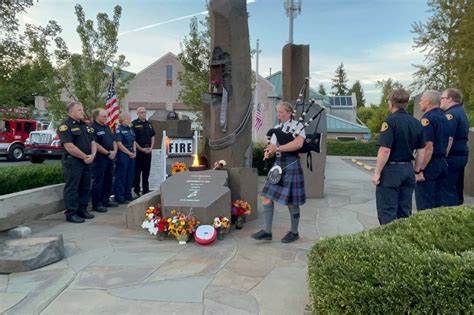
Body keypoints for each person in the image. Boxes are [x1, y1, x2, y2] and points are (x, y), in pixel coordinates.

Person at [251, 102, 306, 243]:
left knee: (292, 203)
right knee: (267, 197)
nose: (278, 115)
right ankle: (267, 231)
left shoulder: (298, 126)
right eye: (277, 112)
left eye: (281, 112)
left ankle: (294, 232)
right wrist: (269, 153)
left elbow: (298, 144)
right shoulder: (277, 128)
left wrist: (278, 149)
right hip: (278, 165)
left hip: (291, 164)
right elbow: (272, 146)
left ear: (289, 113)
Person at [372, 89, 425, 225]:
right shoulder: (416, 123)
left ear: (391, 103)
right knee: (404, 212)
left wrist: (377, 173)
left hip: (391, 171)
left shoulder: (390, 122)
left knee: (387, 212)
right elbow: (421, 151)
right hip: (408, 170)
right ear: (406, 104)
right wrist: (417, 170)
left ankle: (389, 244)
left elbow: (385, 150)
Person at [57, 101, 97, 223]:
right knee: (73, 187)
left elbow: (93, 141)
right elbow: (69, 146)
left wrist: (93, 155)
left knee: (85, 186)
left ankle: (82, 209)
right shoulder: (65, 126)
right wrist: (85, 156)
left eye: (82, 109)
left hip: (87, 160)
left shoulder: (85, 125)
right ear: (71, 112)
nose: (82, 112)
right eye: (79, 110)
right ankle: (71, 213)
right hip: (73, 161)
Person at [415, 90, 449, 210]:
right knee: (439, 204)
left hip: (430, 165)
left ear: (428, 102)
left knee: (425, 204)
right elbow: (449, 140)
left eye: (421, 100)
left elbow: (428, 148)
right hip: (442, 162)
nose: (420, 103)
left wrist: (420, 170)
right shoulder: (444, 117)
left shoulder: (427, 119)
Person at [440, 88, 470, 206]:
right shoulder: (461, 112)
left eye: (442, 98)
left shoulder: (450, 115)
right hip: (461, 154)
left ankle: (450, 217)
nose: (440, 101)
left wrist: (443, 157)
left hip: (452, 156)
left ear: (450, 99)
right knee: (457, 188)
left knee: (448, 190)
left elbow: (449, 138)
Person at [90, 108, 118, 212]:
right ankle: (97, 204)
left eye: (106, 116)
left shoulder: (107, 127)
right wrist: (107, 152)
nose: (106, 118)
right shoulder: (93, 128)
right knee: (99, 181)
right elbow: (95, 144)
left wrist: (114, 151)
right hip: (100, 158)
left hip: (110, 157)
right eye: (104, 116)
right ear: (97, 116)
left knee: (109, 179)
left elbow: (113, 140)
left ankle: (106, 200)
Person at [132, 107, 155, 197]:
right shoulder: (134, 124)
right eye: (141, 112)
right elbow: (133, 139)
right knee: (137, 172)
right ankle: (136, 190)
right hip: (139, 151)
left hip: (148, 150)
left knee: (146, 172)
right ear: (137, 114)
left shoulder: (149, 124)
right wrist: (141, 149)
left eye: (145, 112)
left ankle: (146, 190)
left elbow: (152, 136)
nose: (143, 114)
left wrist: (151, 147)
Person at [114, 112, 136, 204]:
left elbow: (134, 140)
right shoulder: (119, 130)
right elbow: (119, 144)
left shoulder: (130, 129)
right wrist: (129, 153)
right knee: (121, 176)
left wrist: (134, 151)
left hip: (131, 153)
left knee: (130, 176)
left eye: (129, 118)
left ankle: (128, 195)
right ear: (122, 120)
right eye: (127, 118)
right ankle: (120, 197)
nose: (129, 120)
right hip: (123, 154)